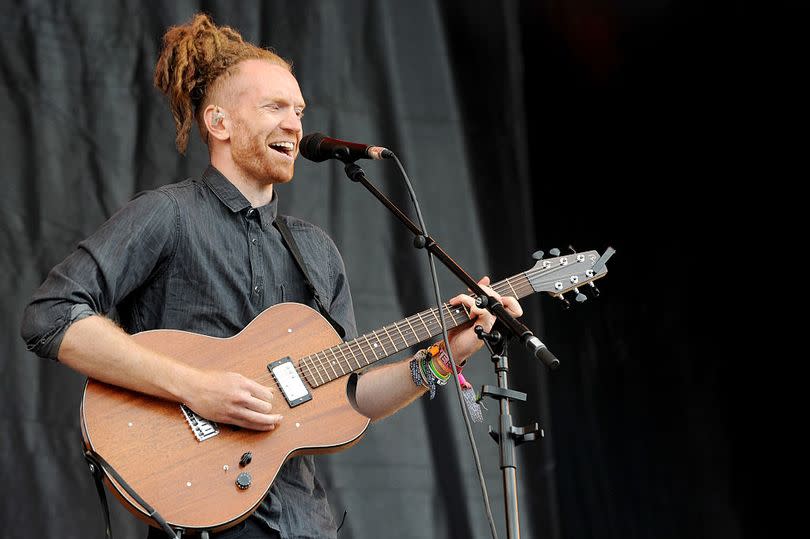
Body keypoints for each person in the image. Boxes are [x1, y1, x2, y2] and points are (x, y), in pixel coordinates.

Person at [20, 13, 523, 539]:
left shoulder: (315, 251)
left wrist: (444, 359)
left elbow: (350, 397)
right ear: (219, 123)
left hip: (305, 522)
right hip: (202, 520)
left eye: (299, 111)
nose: (295, 125)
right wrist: (197, 388)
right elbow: (51, 316)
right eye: (275, 107)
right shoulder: (167, 216)